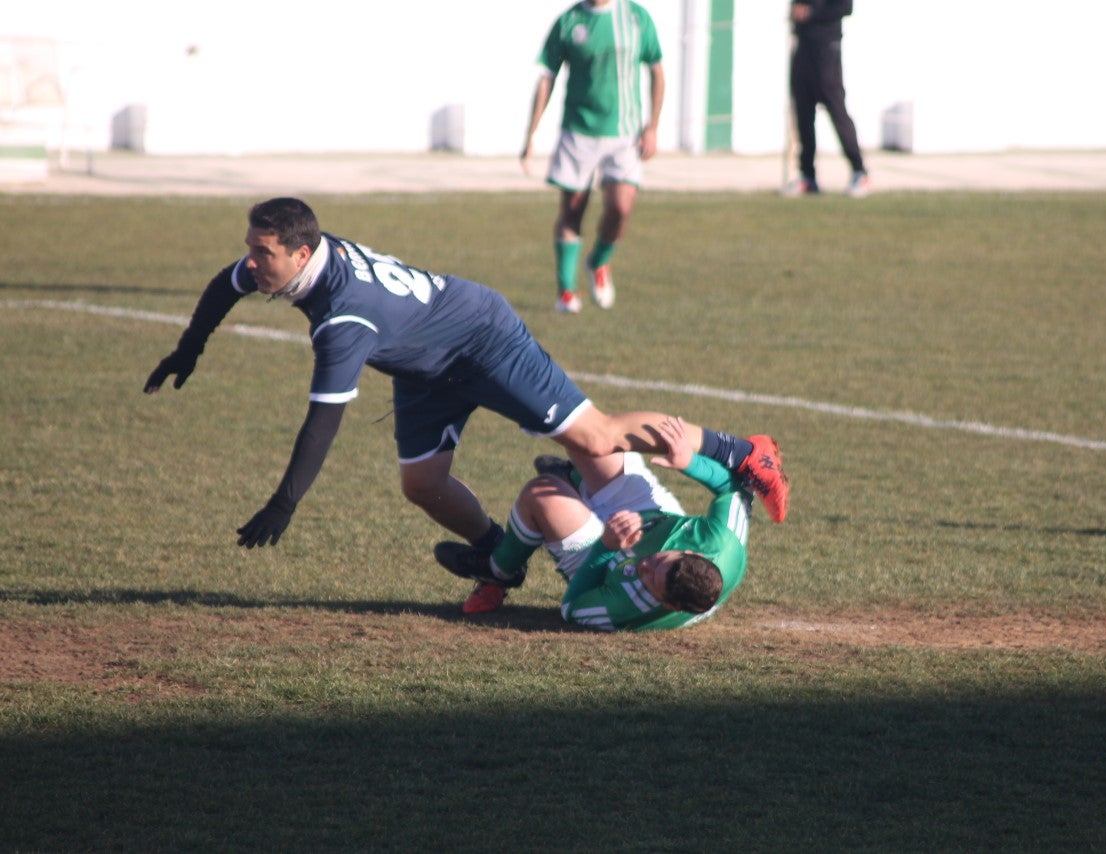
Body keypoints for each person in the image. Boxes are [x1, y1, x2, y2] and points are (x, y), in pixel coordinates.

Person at [142, 198, 789, 564]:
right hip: (425, 363)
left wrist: (285, 502)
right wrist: (188, 350)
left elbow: (323, 421)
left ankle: (742, 451)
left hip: (482, 335)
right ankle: (494, 552)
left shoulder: (344, 317)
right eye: (252, 249)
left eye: (264, 254)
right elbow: (223, 286)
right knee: (421, 484)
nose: (252, 263)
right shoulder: (302, 254)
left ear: (303, 254)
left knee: (594, 439)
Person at [436, 417, 750, 631]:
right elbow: (738, 488)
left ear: (667, 604)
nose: (646, 566)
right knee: (588, 436)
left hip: (601, 560)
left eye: (651, 579)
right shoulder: (723, 544)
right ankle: (575, 478)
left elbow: (571, 608)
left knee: (542, 493)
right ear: (691, 553)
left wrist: (605, 546)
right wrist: (689, 461)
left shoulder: (627, 608)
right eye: (659, 561)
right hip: (652, 514)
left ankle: (499, 572)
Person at [519, 0, 665, 314]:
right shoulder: (569, 22)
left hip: (624, 135)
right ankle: (566, 292)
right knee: (572, 210)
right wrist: (531, 134)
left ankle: (598, 261)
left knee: (621, 207)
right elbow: (547, 77)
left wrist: (652, 127)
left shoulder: (636, 18)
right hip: (578, 132)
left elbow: (657, 70)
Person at [783, 0, 869, 198]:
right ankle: (807, 176)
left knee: (836, 109)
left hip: (826, 48)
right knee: (803, 113)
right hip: (803, 45)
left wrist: (812, 12)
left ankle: (859, 171)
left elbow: (845, 7)